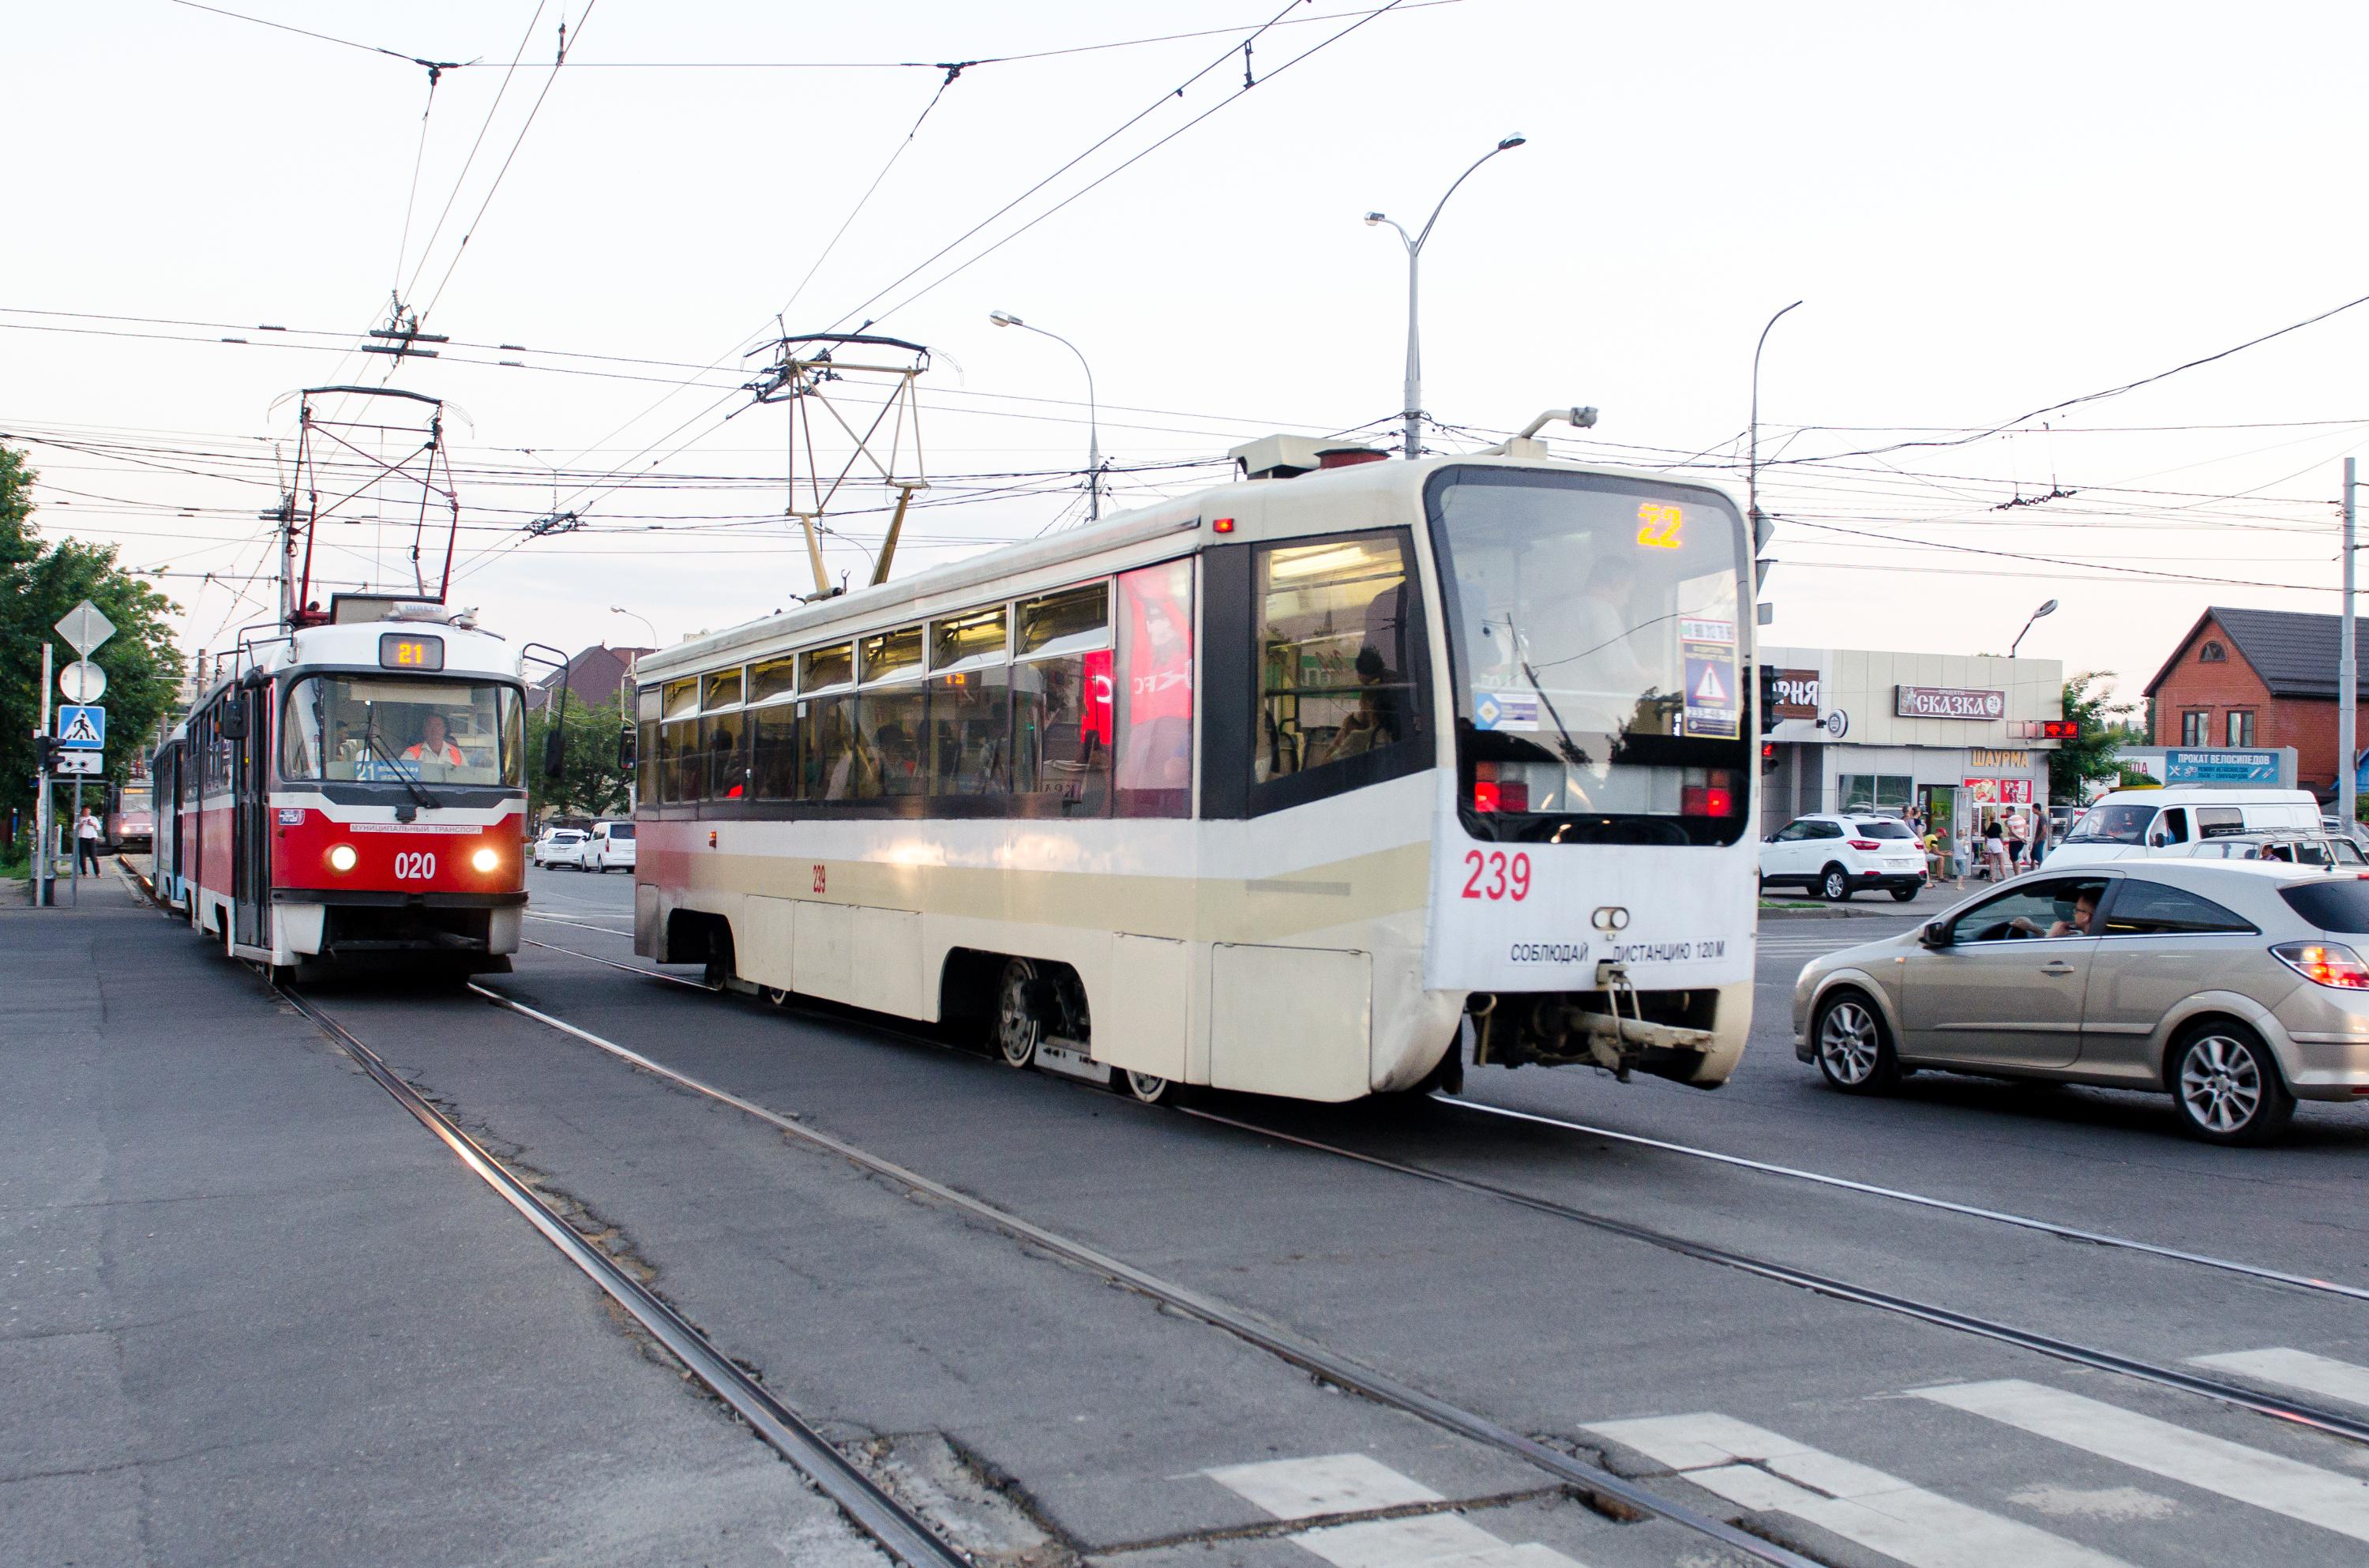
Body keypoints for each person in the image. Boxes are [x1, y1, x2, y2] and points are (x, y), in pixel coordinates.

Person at [2010, 886, 2099, 939]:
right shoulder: (2094, 938)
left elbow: (2040, 959)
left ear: (2087, 917)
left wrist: (2051, 937)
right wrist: (2033, 928)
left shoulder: (2087, 945)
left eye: (2076, 910)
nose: (2074, 913)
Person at [402, 713, 466, 767]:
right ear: (424, 730)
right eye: (430, 725)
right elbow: (403, 775)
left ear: (445, 730)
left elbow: (467, 776)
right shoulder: (412, 753)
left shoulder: (458, 753)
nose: (434, 730)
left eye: (438, 725)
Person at [75, 807, 101, 873]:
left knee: (93, 856)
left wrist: (92, 824)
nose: (86, 812)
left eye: (88, 811)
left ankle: (97, 873)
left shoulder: (93, 818)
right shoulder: (79, 819)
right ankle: (84, 873)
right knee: (82, 857)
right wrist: (82, 824)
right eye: (85, 811)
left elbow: (98, 828)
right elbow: (75, 829)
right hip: (82, 838)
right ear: (83, 812)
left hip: (92, 838)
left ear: (90, 811)